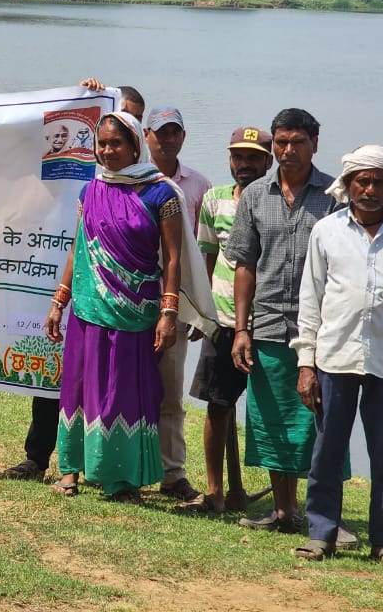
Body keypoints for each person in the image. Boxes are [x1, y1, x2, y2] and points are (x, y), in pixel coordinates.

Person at [291, 146, 383, 565]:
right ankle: (321, 535)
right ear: (349, 185)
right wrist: (305, 363)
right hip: (333, 360)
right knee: (327, 451)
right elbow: (310, 300)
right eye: (362, 181)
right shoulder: (327, 231)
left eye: (378, 181)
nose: (369, 189)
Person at [4, 83, 143, 482]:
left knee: (115, 385)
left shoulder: (149, 184)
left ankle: (121, 468)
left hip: (122, 301)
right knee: (58, 375)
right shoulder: (80, 158)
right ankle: (39, 456)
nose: (107, 146)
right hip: (55, 269)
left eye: (122, 120)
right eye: (102, 132)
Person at [46, 111, 182, 503]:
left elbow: (173, 259)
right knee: (78, 384)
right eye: (102, 144)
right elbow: (78, 248)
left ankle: (121, 479)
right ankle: (71, 471)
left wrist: (168, 312)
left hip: (136, 310)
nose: (107, 151)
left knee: (124, 389)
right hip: (88, 308)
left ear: (135, 144)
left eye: (116, 144)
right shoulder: (90, 191)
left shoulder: (161, 194)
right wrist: (60, 300)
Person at [227, 108, 351, 538]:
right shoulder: (256, 195)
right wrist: (241, 329)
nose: (288, 150)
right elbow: (244, 265)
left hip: (324, 331)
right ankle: (283, 513)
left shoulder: (335, 196)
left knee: (321, 423)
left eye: (297, 142)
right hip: (267, 327)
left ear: (315, 144)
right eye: (280, 142)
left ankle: (325, 515)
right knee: (273, 422)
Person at [186, 126, 273, 513]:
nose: (245, 164)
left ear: (268, 162)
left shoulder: (279, 202)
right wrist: (201, 314)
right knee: (219, 405)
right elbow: (206, 258)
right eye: (238, 156)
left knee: (270, 411)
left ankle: (280, 499)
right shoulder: (215, 199)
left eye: (254, 157)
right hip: (222, 320)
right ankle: (217, 492)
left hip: (269, 325)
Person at [143, 106, 212, 502]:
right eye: (161, 132)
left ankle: (173, 474)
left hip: (177, 305)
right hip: (128, 300)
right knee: (125, 387)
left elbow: (204, 254)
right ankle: (123, 466)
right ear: (147, 136)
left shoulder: (198, 185)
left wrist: (199, 309)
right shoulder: (130, 179)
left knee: (171, 392)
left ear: (183, 138)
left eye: (175, 133)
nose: (168, 139)